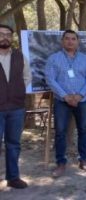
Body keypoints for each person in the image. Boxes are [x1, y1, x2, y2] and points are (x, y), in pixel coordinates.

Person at [45, 30, 86, 177]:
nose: (70, 41)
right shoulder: (53, 59)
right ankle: (61, 163)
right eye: (67, 39)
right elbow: (50, 79)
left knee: (83, 130)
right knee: (60, 132)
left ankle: (84, 160)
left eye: (73, 39)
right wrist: (65, 96)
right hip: (62, 101)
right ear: (62, 41)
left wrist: (80, 95)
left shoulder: (85, 59)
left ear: (77, 41)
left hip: (82, 100)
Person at [0, 24, 31, 189]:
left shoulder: (19, 56)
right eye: (1, 34)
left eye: (8, 34)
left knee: (14, 144)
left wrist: (16, 91)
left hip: (16, 108)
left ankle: (13, 177)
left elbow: (27, 77)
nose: (5, 37)